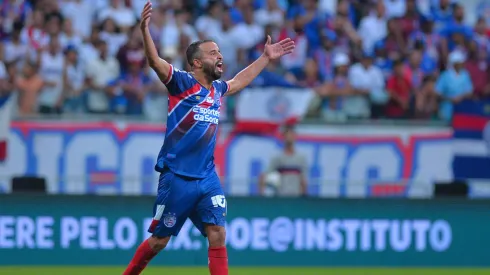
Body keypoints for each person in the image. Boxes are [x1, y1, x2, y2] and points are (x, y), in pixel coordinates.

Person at [122, 1, 295, 275]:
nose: (219, 56)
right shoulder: (181, 83)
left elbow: (238, 81)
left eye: (220, 52)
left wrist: (265, 58)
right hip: (177, 177)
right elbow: (155, 62)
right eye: (213, 52)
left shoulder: (216, 89)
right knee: (159, 242)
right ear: (196, 62)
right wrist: (145, 31)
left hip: (206, 177)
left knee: (218, 234)